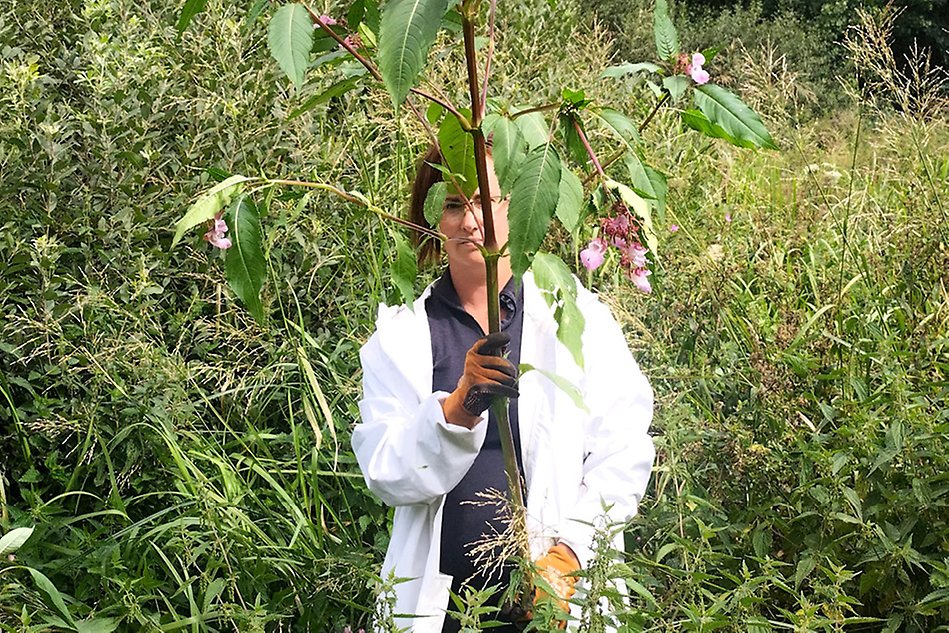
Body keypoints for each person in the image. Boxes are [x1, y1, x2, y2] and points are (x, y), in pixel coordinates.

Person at [352, 145, 655, 633]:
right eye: (453, 204)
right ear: (431, 217)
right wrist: (460, 404)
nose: (470, 221)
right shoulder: (402, 335)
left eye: (485, 200)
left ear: (519, 204)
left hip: (556, 603)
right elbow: (384, 471)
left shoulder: (572, 317)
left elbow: (624, 448)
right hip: (441, 608)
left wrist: (569, 556)